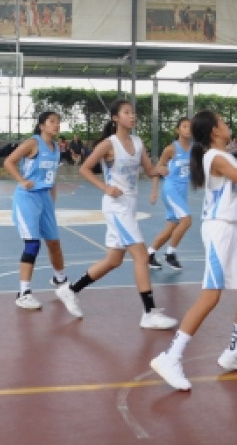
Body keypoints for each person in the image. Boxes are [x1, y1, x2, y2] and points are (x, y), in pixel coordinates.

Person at [149, 110, 237, 391]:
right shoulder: (216, 158)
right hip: (220, 231)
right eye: (223, 122)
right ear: (214, 131)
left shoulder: (224, 157)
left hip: (233, 230)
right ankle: (170, 357)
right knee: (211, 295)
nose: (227, 125)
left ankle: (235, 352)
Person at [55, 99, 177, 329]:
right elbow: (84, 169)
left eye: (133, 112)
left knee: (114, 260)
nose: (132, 116)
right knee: (141, 257)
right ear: (115, 118)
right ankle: (149, 312)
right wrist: (106, 188)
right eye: (127, 112)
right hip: (116, 207)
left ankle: (70, 290)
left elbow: (149, 170)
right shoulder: (108, 144)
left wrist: (160, 170)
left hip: (130, 205)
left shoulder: (138, 142)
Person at [4, 111, 69, 309]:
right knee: (32, 244)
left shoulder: (56, 148)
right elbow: (9, 161)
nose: (56, 125)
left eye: (58, 122)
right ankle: (23, 293)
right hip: (28, 198)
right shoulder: (33, 143)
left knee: (54, 243)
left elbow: (52, 177)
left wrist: (52, 200)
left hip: (45, 198)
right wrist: (22, 181)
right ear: (42, 125)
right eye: (52, 121)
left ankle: (60, 280)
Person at [147, 117, 194, 271]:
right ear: (178, 129)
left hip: (182, 191)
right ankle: (170, 254)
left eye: (190, 127)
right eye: (184, 126)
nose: (188, 129)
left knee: (172, 227)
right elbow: (157, 169)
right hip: (171, 189)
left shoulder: (194, 149)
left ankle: (149, 254)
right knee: (186, 221)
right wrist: (154, 191)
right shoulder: (171, 149)